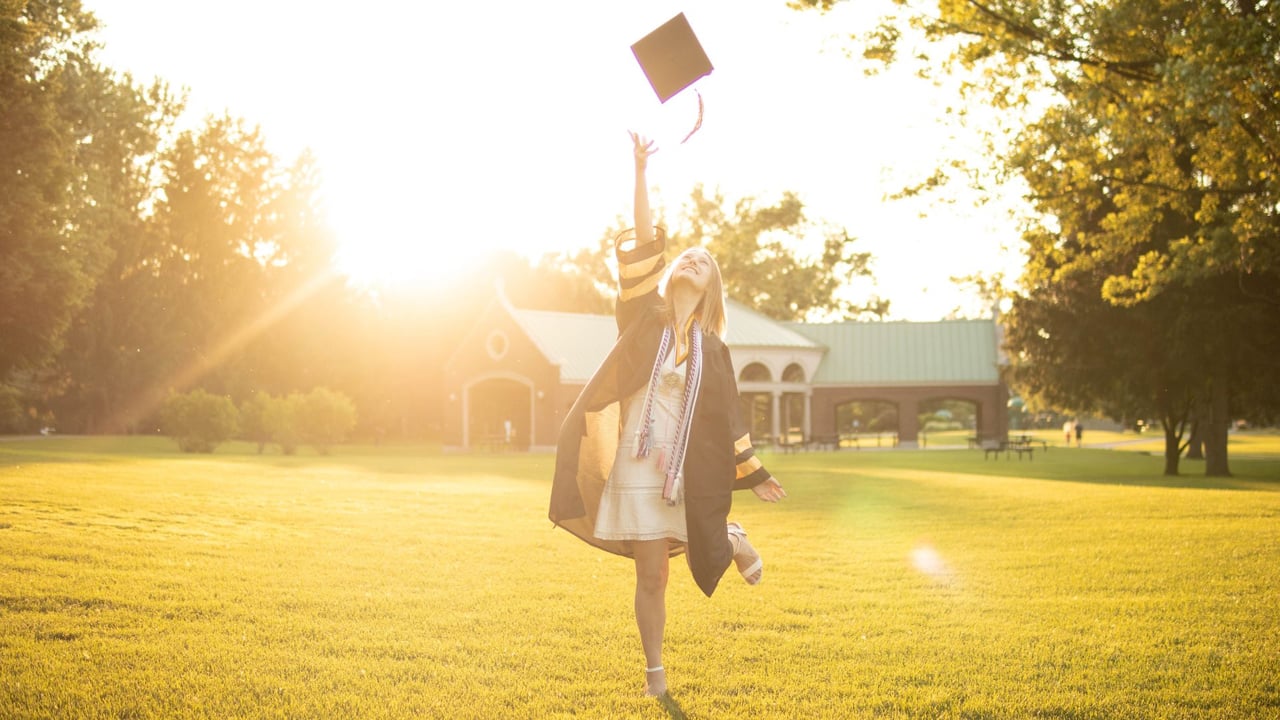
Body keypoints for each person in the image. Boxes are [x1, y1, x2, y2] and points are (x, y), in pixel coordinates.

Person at [549, 131, 786, 699]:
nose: (693, 260)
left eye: (704, 262)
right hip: (640, 460)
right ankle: (655, 671)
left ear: (711, 287)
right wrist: (639, 173)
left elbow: (729, 417)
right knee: (652, 572)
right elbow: (643, 244)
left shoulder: (716, 348)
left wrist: (753, 471)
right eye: (688, 256)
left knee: (697, 535)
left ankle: (729, 538)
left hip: (689, 467)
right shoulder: (641, 317)